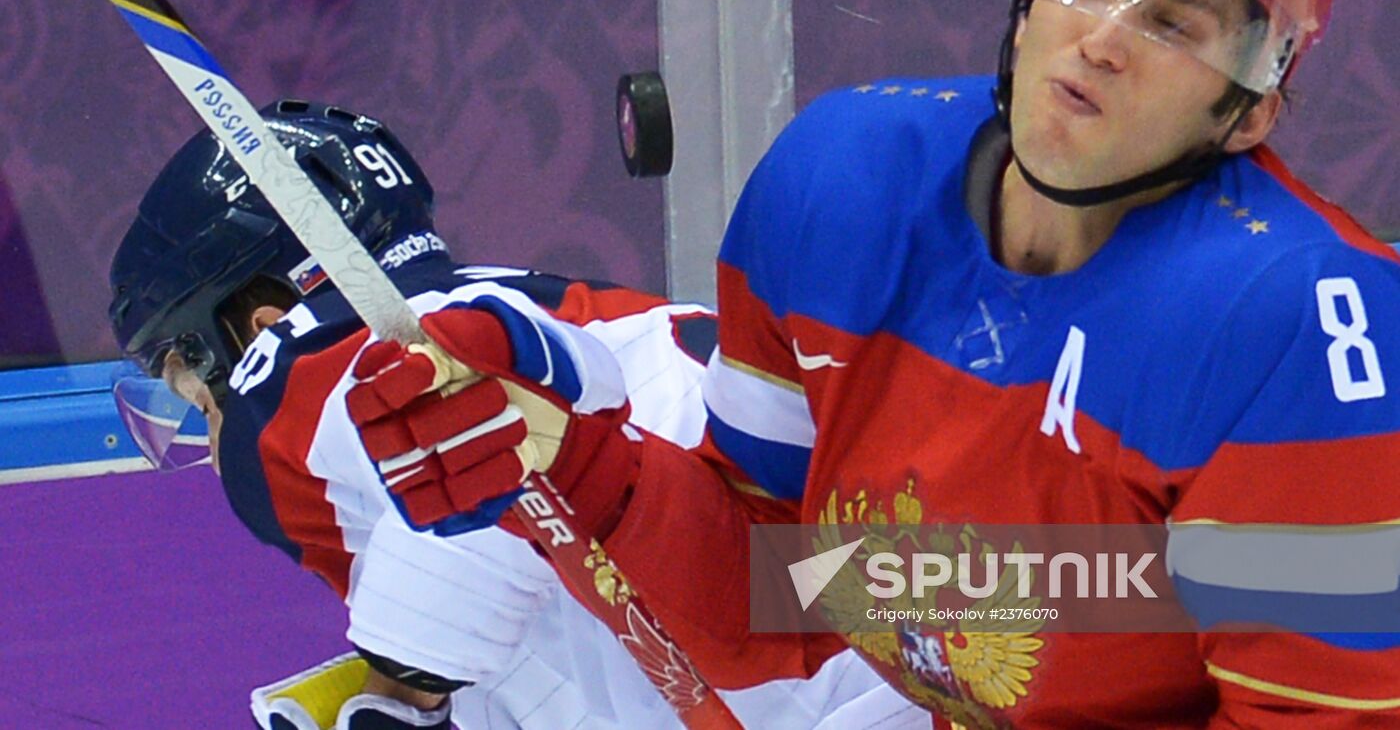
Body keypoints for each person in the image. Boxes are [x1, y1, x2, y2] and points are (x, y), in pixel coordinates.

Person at [340, 0, 1400, 727]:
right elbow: (782, 591)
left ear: (1248, 111)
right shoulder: (841, 184)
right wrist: (568, 459)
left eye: (1172, 21)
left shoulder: (1296, 321)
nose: (1102, 39)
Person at [108, 100, 921, 729]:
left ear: (254, 324)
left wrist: (402, 692)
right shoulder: (594, 309)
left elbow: (478, 440)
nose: (207, 447)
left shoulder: (315, 372)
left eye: (190, 397)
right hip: (955, 609)